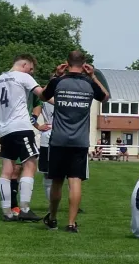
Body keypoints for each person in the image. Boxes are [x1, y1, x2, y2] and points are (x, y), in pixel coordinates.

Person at [39, 51, 109, 233]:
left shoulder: (58, 82)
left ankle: (52, 218)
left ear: (67, 63)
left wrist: (56, 74)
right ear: (85, 63)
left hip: (58, 140)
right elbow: (106, 97)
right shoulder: (89, 83)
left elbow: (42, 97)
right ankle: (71, 223)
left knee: (56, 181)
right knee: (75, 180)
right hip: (79, 141)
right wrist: (93, 76)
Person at [0, 53, 45, 222]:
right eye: (31, 69)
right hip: (21, 127)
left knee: (6, 170)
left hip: (4, 131)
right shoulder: (22, 77)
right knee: (30, 164)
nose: (31, 73)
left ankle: (7, 212)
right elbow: (42, 94)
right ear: (25, 65)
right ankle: (25, 208)